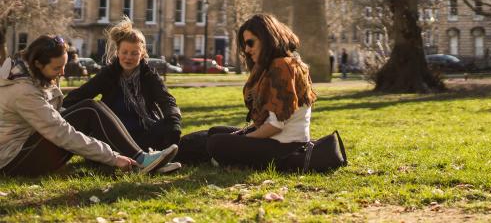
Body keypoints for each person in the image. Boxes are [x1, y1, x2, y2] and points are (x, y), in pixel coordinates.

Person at [0, 34, 178, 176]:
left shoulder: (34, 75)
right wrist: (113, 158)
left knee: (89, 109)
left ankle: (143, 160)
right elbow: (61, 132)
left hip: (27, 145)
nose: (62, 72)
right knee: (89, 109)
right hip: (13, 160)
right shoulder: (24, 91)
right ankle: (141, 159)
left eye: (64, 65)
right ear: (38, 63)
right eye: (57, 68)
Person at [179, 13, 316, 169]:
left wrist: (245, 139)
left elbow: (275, 126)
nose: (247, 49)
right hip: (279, 140)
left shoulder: (282, 67)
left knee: (216, 143)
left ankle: (213, 157)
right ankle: (201, 156)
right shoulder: (278, 65)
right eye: (245, 45)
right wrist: (240, 137)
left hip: (286, 147)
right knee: (214, 132)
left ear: (267, 39)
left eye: (251, 43)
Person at [63, 18, 182, 154]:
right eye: (124, 52)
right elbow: (82, 94)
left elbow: (167, 100)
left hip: (145, 130)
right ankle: (140, 155)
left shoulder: (149, 75)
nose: (128, 57)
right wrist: (58, 110)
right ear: (117, 52)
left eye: (134, 53)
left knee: (169, 126)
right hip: (116, 134)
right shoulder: (108, 74)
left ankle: (147, 154)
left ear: (142, 54)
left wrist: (174, 122)